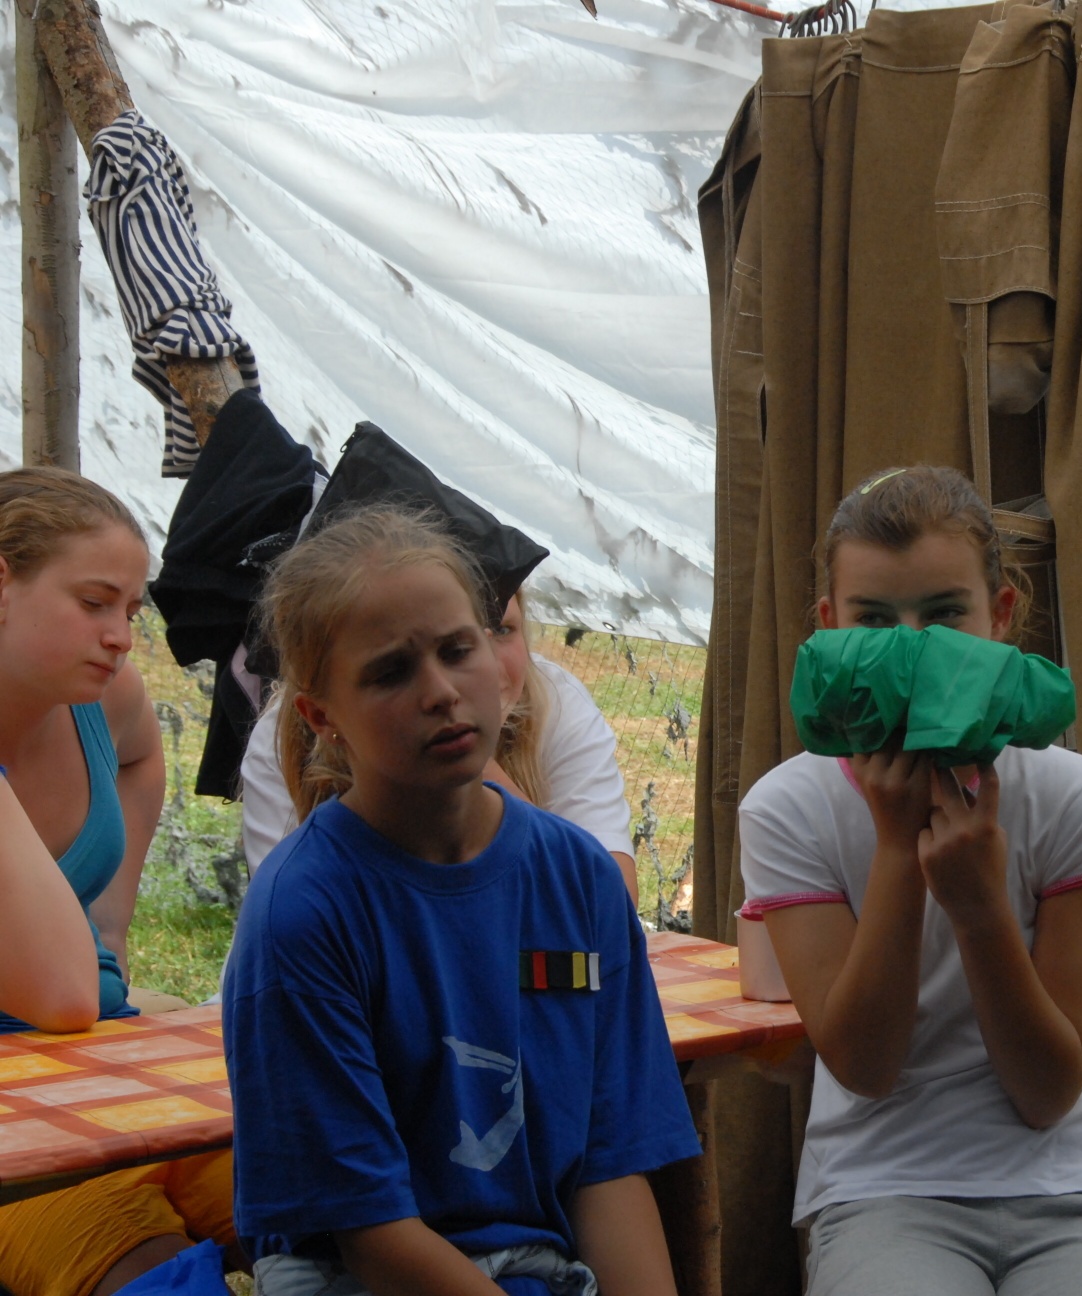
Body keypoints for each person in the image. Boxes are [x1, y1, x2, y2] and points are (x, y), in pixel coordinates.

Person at [223, 507, 696, 1295]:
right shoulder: (304, 912)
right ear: (321, 718)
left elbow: (608, 1170)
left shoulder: (577, 879)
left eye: (457, 650)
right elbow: (371, 1234)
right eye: (390, 673)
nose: (441, 692)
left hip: (544, 1267)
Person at [739, 466, 1082, 1296]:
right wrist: (897, 853)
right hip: (881, 1188)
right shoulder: (786, 808)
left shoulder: (1076, 798)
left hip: (1074, 1184)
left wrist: (980, 909)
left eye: (944, 616)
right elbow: (865, 1066)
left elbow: (1048, 1093)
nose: (914, 651)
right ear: (829, 626)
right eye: (875, 621)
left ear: (1000, 616)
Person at [0, 467, 235, 1295]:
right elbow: (64, 997)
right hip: (20, 1122)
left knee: (341, 1199)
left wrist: (110, 923)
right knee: (152, 1272)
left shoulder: (101, 704)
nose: (121, 637)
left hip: (105, 1068)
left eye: (131, 612)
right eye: (94, 603)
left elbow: (139, 756)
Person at [238, 588, 638, 901]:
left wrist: (470, 752)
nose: (483, 668)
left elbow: (609, 908)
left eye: (500, 631)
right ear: (323, 716)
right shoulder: (283, 740)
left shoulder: (556, 698)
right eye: (395, 664)